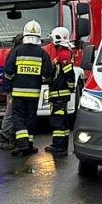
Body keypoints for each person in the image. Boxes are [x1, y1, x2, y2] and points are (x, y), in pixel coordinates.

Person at [2, 21, 55, 156]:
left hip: (18, 92)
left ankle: (22, 144)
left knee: (18, 118)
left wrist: (7, 87)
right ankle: (29, 144)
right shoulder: (42, 53)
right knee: (31, 118)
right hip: (34, 93)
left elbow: (8, 71)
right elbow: (48, 72)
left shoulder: (17, 51)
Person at [44, 26, 75, 156]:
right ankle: (60, 145)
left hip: (59, 94)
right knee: (61, 120)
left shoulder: (64, 54)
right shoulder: (62, 53)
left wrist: (70, 85)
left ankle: (59, 147)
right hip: (58, 93)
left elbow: (69, 74)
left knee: (58, 120)